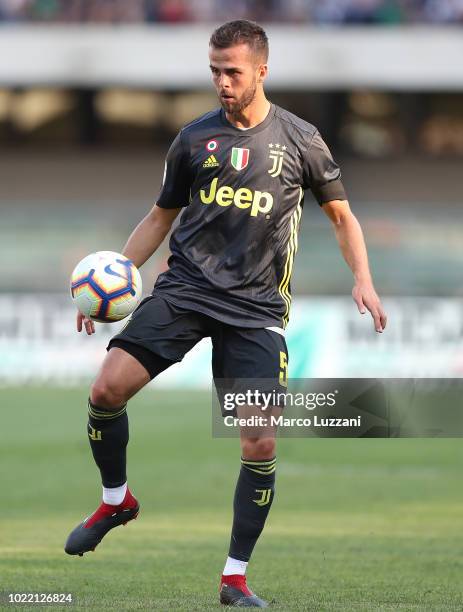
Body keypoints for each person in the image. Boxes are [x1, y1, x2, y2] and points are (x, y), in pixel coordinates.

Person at [64, 19, 387, 608]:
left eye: (232, 71)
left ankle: (234, 579)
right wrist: (112, 279)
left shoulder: (300, 141)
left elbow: (342, 216)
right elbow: (161, 217)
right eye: (214, 70)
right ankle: (117, 501)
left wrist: (362, 280)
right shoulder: (192, 140)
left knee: (260, 441)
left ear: (262, 69)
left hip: (256, 309)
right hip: (184, 291)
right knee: (106, 389)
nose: (222, 82)